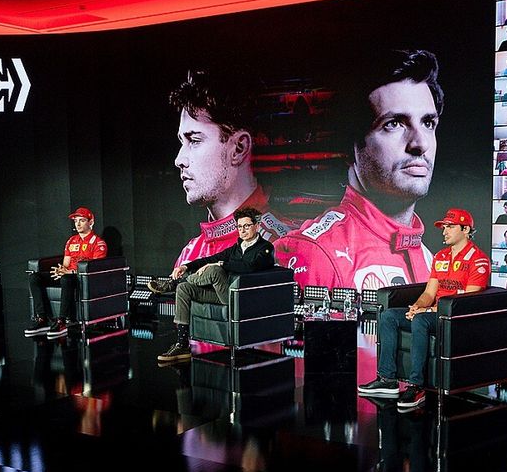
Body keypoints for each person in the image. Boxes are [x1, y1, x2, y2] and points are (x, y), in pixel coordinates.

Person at [276, 50, 442, 290]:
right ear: (349, 146)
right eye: (393, 124)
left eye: (428, 123)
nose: (420, 144)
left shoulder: (433, 262)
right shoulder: (313, 254)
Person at [358, 208, 488, 409]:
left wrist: (426, 313)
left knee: (421, 320)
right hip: (433, 314)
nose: (444, 231)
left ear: (465, 229)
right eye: (444, 227)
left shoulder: (478, 259)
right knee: (389, 315)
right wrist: (416, 307)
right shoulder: (441, 257)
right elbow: (429, 293)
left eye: (450, 227)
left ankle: (416, 386)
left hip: (454, 318)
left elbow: (468, 301)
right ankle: (387, 379)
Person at [168, 69, 288, 270]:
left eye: (194, 140)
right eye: (182, 142)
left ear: (238, 148)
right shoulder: (190, 253)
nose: (179, 160)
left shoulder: (282, 247)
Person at [152, 207, 276, 362]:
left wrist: (220, 264)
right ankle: (182, 344)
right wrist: (186, 267)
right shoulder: (236, 248)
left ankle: (173, 285)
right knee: (185, 289)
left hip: (242, 297)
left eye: (246, 226)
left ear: (256, 226)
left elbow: (249, 266)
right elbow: (210, 259)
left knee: (214, 271)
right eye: (239, 227)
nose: (242, 230)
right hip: (224, 294)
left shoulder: (265, 248)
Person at [25, 207, 107, 339]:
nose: (78, 224)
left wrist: (69, 272)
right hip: (68, 274)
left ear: (91, 222)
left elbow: (94, 268)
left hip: (82, 279)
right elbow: (65, 264)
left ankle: (61, 322)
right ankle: (42, 319)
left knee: (66, 279)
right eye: (76, 221)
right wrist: (60, 270)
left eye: (82, 220)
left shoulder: (98, 243)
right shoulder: (71, 241)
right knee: (35, 277)